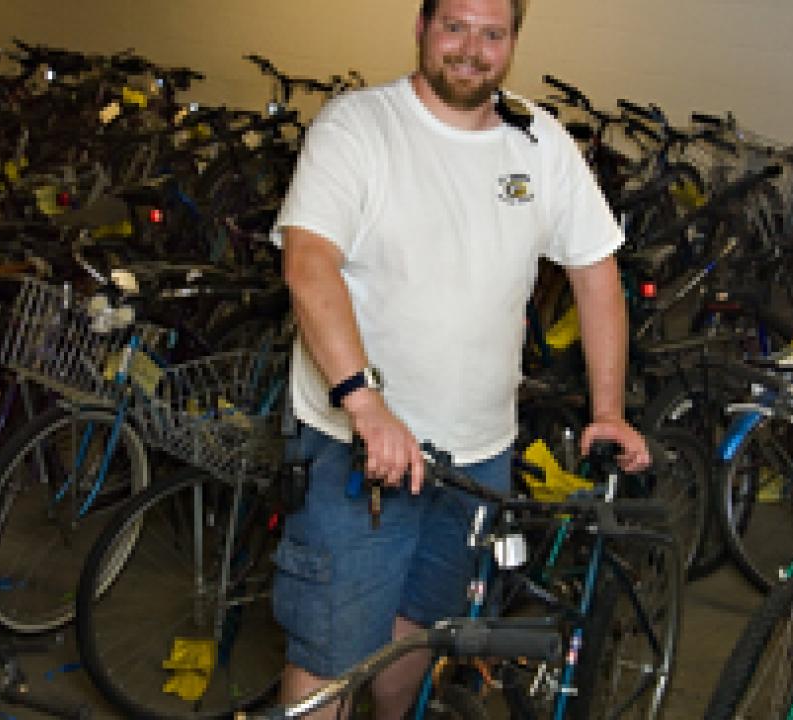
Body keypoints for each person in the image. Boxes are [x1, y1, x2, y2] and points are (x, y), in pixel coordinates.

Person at [271, 0, 650, 716]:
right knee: (329, 659)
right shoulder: (359, 127)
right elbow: (308, 264)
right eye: (454, 27)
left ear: (513, 42)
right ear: (420, 28)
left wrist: (608, 410)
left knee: (417, 640)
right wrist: (365, 404)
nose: (471, 49)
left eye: (492, 34)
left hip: (477, 460)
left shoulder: (539, 140)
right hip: (360, 455)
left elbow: (596, 273)